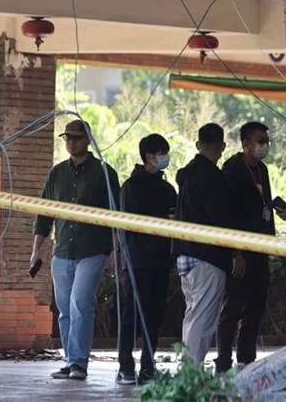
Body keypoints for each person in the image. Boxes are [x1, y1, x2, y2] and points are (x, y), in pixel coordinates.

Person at [30, 120, 119, 381]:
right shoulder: (57, 173)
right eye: (68, 138)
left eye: (77, 138)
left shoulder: (104, 172)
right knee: (66, 309)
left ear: (88, 140)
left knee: (81, 304)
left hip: (93, 250)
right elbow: (44, 214)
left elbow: (116, 215)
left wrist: (115, 250)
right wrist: (36, 250)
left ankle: (79, 362)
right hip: (62, 251)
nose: (71, 142)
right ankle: (70, 361)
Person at [171, 123, 241, 365]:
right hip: (208, 256)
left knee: (192, 315)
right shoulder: (213, 177)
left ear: (198, 145)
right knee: (202, 319)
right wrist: (235, 251)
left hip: (184, 254)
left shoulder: (186, 175)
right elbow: (220, 218)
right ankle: (190, 375)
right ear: (222, 146)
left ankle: (187, 370)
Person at [215, 121, 278, 373]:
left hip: (260, 246)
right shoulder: (231, 171)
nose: (264, 146)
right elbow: (226, 213)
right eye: (259, 141)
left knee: (257, 303)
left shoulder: (262, 169)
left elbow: (265, 206)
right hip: (240, 249)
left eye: (266, 141)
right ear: (246, 144)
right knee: (233, 305)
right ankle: (222, 360)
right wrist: (235, 252)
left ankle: (246, 356)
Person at [116, 134, 177, 386]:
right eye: (161, 153)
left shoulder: (167, 188)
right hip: (138, 260)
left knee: (154, 316)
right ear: (149, 156)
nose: (165, 158)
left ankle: (148, 366)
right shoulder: (131, 187)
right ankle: (125, 366)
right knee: (132, 314)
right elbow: (127, 227)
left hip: (160, 260)